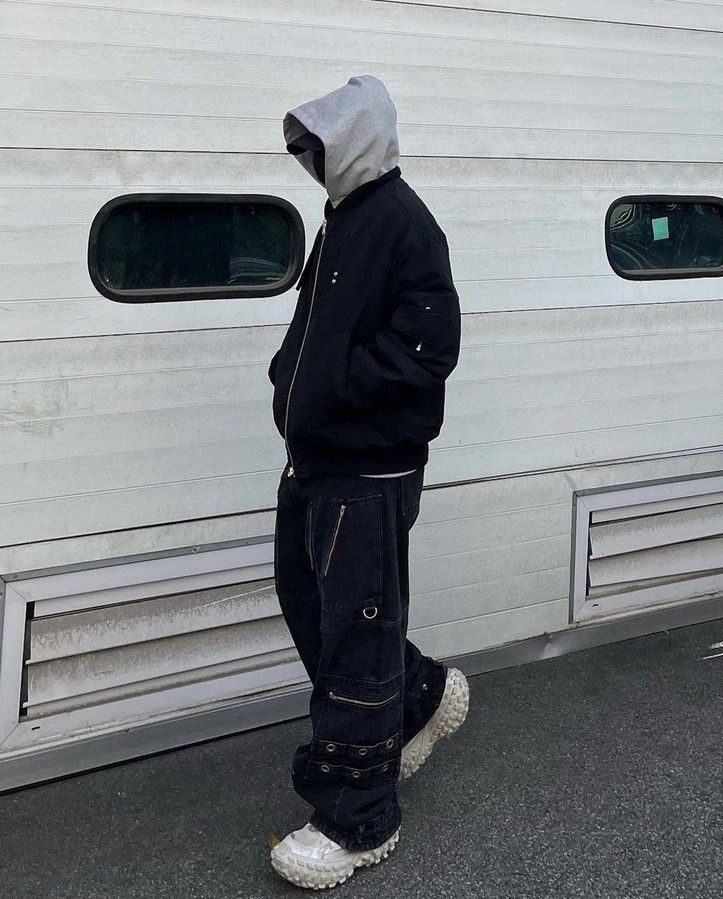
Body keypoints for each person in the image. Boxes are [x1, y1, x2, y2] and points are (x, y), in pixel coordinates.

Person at [268, 74, 469, 890]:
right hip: (317, 460)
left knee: (354, 632)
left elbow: (431, 345)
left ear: (356, 141)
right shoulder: (342, 218)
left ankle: (360, 816)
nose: (312, 160)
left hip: (368, 468)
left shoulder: (403, 222)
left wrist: (333, 390)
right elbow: (316, 329)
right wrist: (288, 375)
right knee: (308, 599)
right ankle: (417, 693)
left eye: (320, 146)